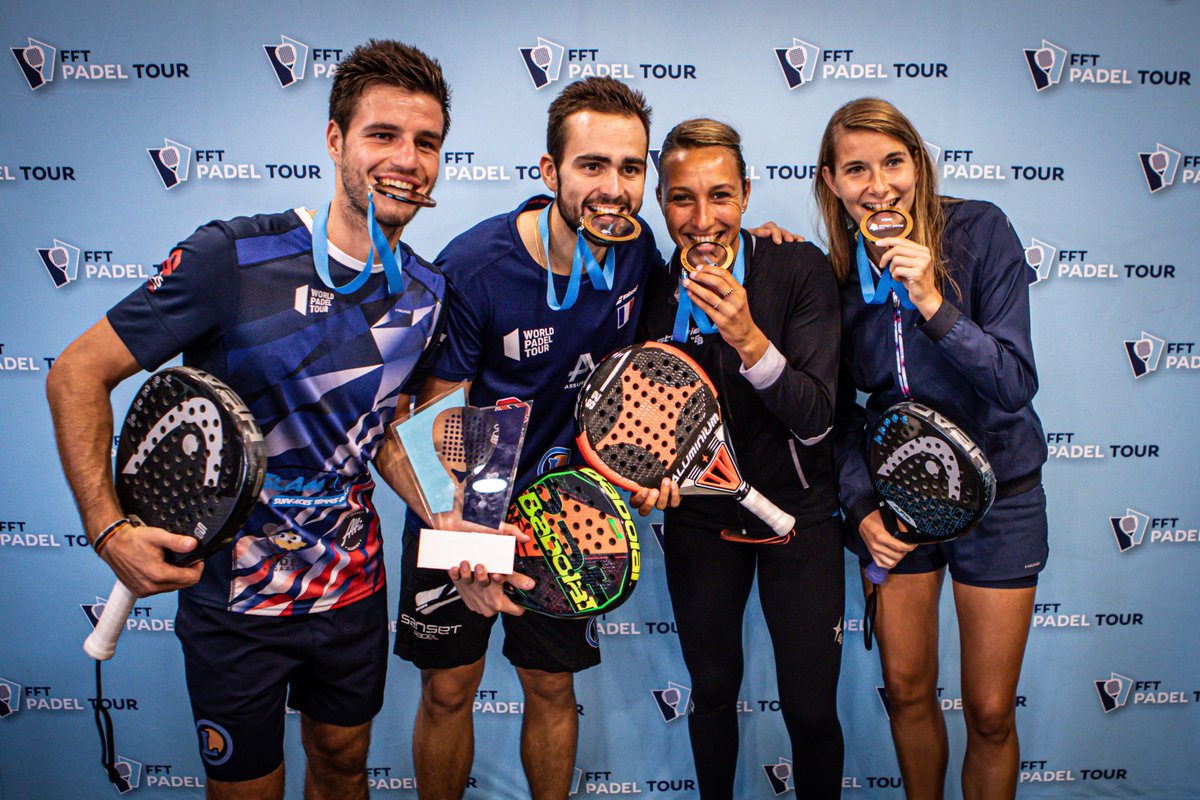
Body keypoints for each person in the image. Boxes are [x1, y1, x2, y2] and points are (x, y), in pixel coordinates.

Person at [45, 39, 451, 800]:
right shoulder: (232, 257)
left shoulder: (427, 292)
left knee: (343, 770)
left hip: (353, 591)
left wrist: (448, 519)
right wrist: (108, 530)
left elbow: (387, 425)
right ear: (335, 141)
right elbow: (75, 374)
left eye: (426, 142)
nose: (407, 158)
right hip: (237, 603)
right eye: (383, 135)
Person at [394, 78, 794, 800]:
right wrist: (466, 543)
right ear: (550, 174)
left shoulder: (638, 250)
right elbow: (432, 426)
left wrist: (757, 239)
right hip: (466, 498)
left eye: (631, 168)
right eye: (591, 166)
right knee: (450, 691)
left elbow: (645, 389)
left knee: (550, 690)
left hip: (569, 513)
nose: (614, 188)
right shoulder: (477, 267)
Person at [818, 97, 1048, 800]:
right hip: (899, 510)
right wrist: (860, 507)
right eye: (856, 168)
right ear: (831, 180)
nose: (878, 184)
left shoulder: (982, 231)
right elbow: (845, 414)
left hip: (999, 500)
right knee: (908, 691)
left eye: (894, 161)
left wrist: (931, 303)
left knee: (988, 711)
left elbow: (1013, 382)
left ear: (917, 163)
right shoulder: (833, 273)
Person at [636, 118, 844, 798]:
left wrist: (750, 338)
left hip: (800, 517)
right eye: (681, 199)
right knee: (714, 689)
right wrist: (652, 480)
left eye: (721, 196)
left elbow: (815, 417)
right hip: (700, 521)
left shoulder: (800, 268)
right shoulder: (651, 290)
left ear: (748, 195)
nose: (703, 220)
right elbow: (645, 421)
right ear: (661, 202)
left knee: (810, 708)